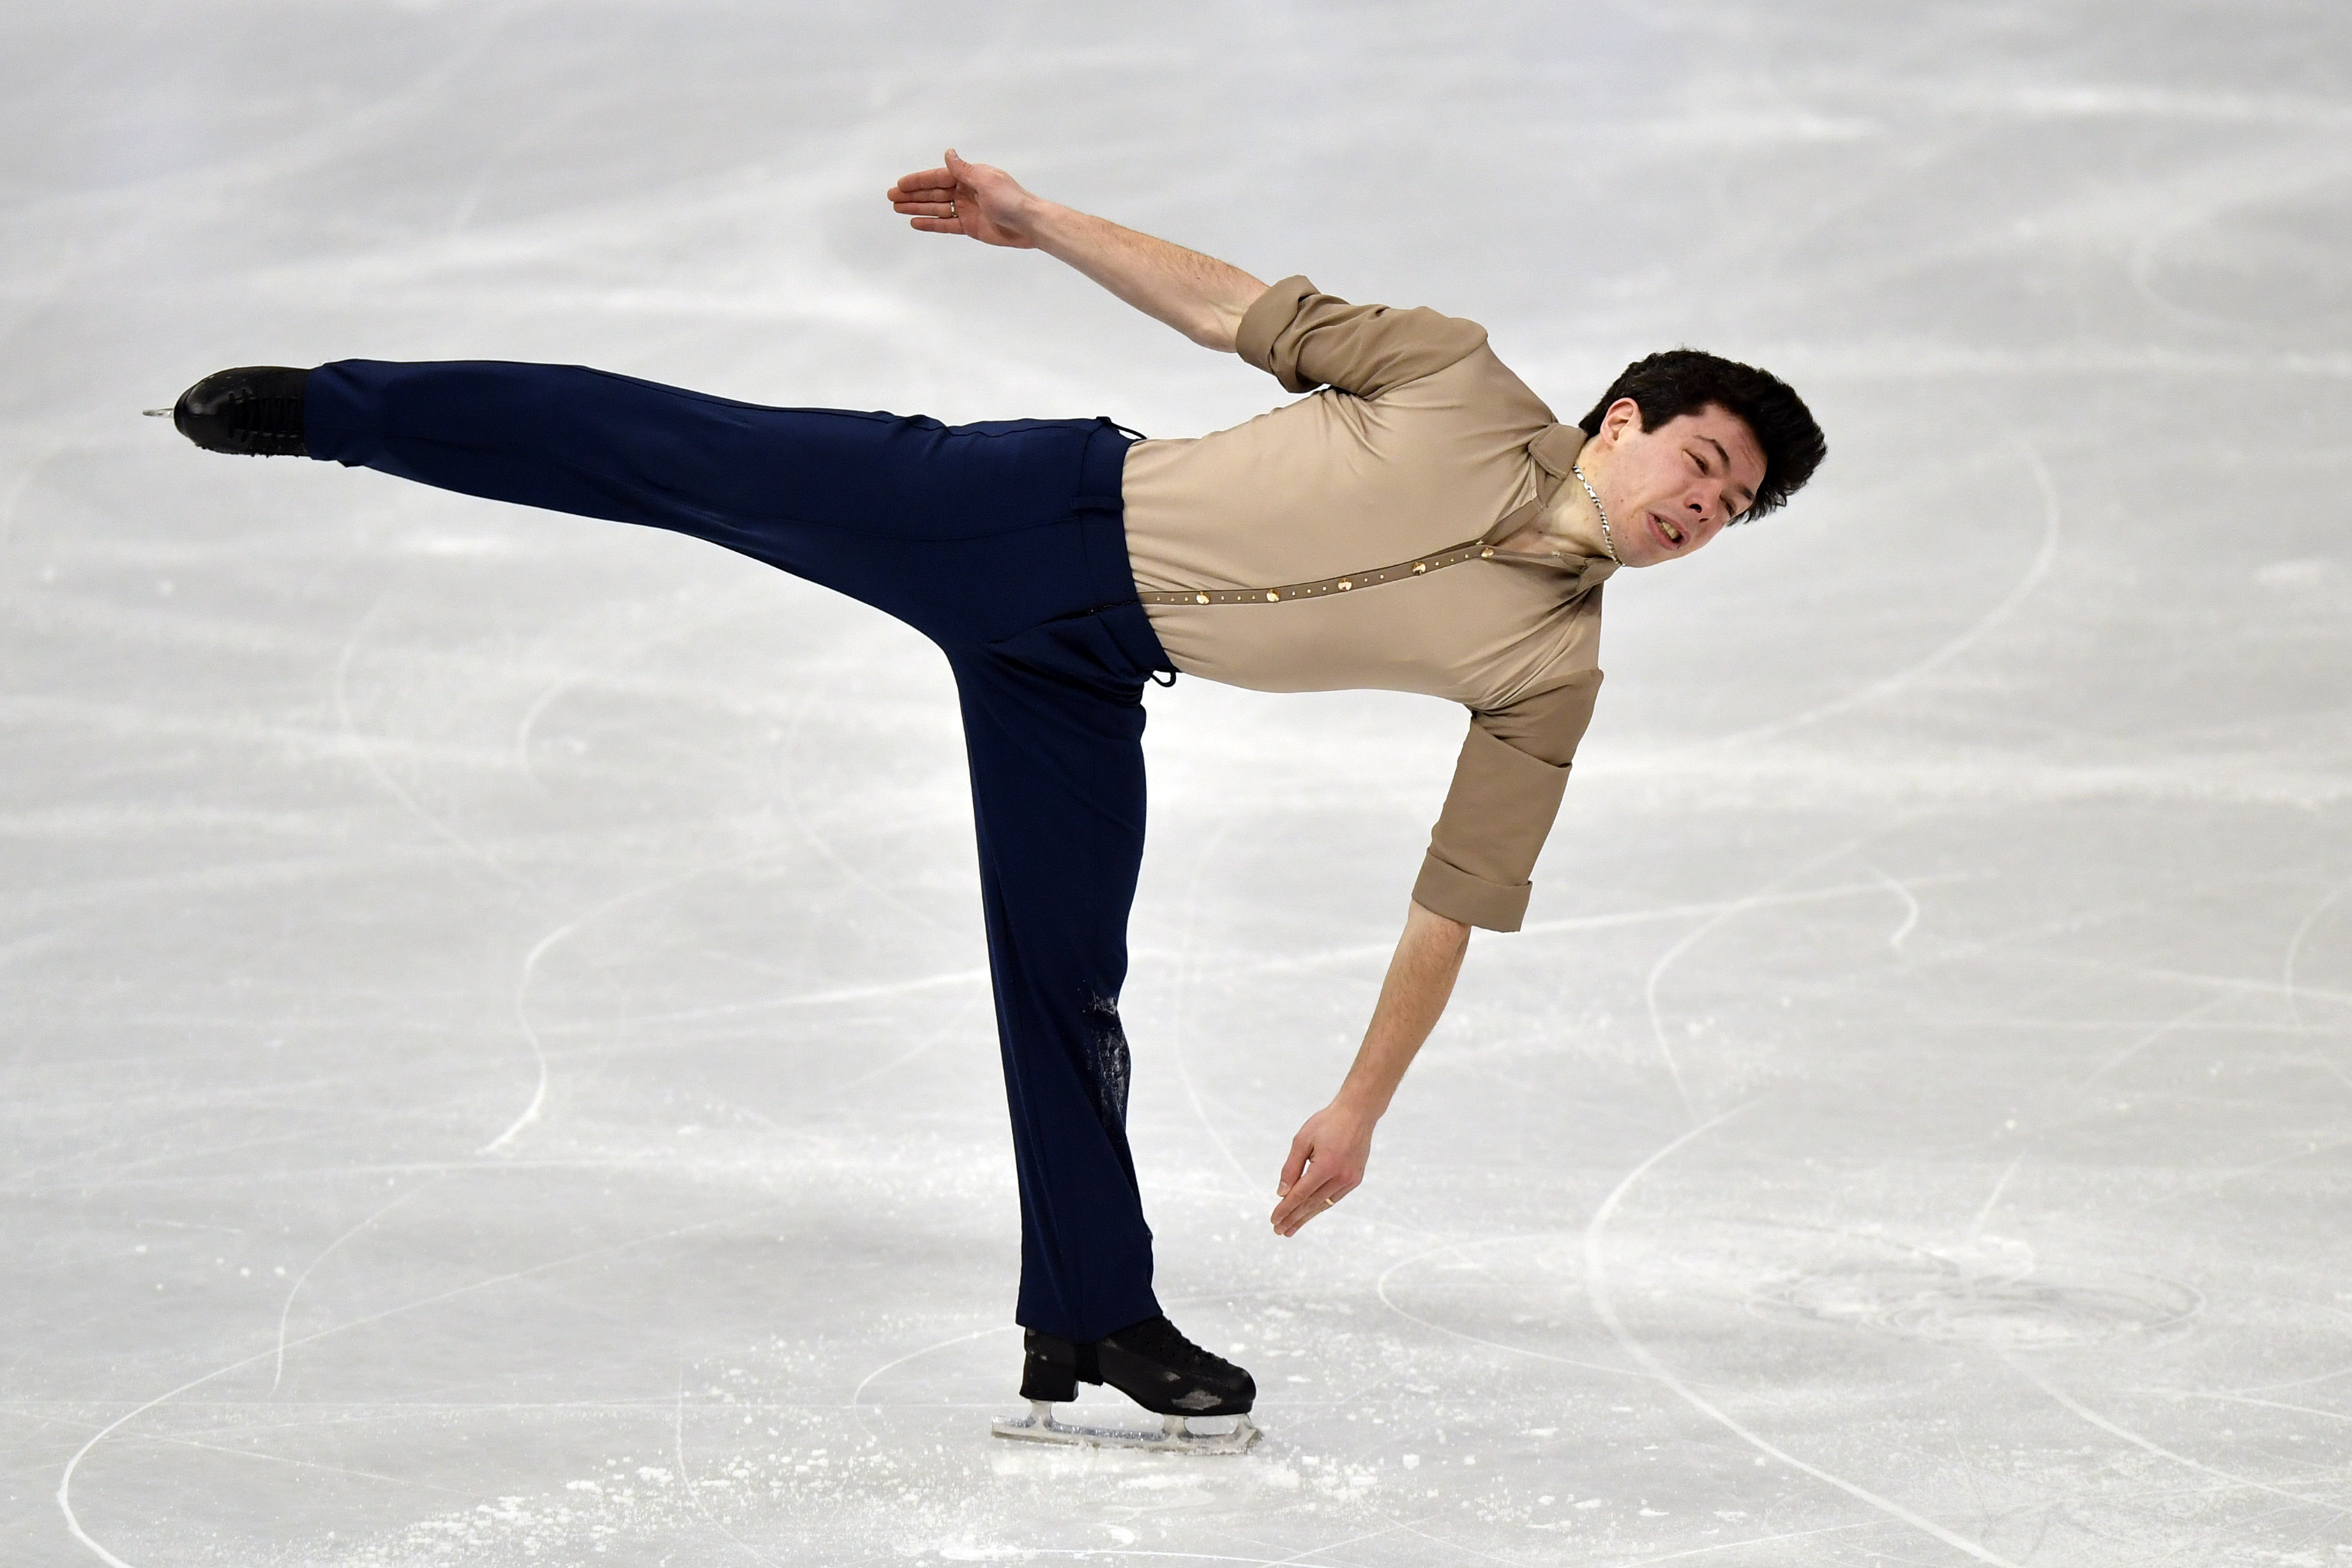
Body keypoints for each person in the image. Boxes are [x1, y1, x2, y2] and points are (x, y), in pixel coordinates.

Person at [161, 148, 1825, 1451]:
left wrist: (1361, 1104)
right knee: (692, 453)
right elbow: (1232, 308)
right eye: (1702, 467)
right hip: (1020, 514)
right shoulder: (1456, 378)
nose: (1704, 513)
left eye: (1733, 511)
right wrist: (1035, 220)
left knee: (1066, 980)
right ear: (1624, 422)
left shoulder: (1553, 669)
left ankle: (1092, 1315)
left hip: (1084, 683)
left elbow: (1456, 893)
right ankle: (341, 410)